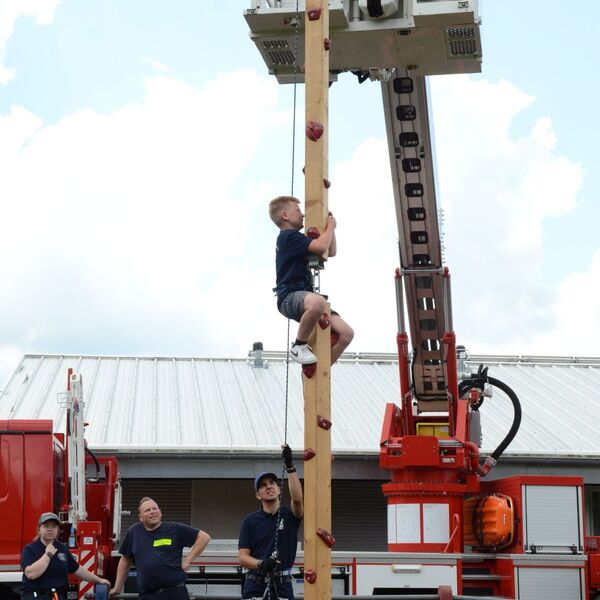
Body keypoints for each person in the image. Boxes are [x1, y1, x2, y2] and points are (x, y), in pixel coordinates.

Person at [269, 195, 354, 365]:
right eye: (298, 211)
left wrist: (329, 227)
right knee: (318, 303)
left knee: (346, 333)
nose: (302, 215)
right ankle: (298, 346)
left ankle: (322, 368)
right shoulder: (288, 237)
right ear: (285, 215)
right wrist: (330, 227)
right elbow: (322, 246)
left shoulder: (298, 239)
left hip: (304, 296)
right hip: (289, 297)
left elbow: (330, 251)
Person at [109, 497, 211, 600]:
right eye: (148, 510)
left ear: (160, 512)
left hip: (175, 593)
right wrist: (117, 587)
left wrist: (187, 561)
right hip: (148, 595)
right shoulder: (134, 532)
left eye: (155, 509)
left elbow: (204, 537)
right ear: (140, 517)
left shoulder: (175, 529)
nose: (152, 512)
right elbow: (125, 560)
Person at [238, 445, 303, 600]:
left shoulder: (290, 515)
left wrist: (290, 466)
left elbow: (298, 498)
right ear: (257, 495)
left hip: (283, 584)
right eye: (263, 485)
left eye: (272, 483)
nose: (268, 487)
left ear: (279, 489)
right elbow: (242, 557)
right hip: (255, 584)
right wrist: (261, 564)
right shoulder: (250, 521)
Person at [21, 512, 111, 600]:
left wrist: (99, 580)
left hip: (58, 596)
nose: (50, 529)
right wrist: (48, 554)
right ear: (39, 529)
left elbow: (78, 570)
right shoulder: (30, 549)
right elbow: (31, 574)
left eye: (53, 526)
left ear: (58, 530)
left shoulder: (62, 548)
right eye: (46, 526)